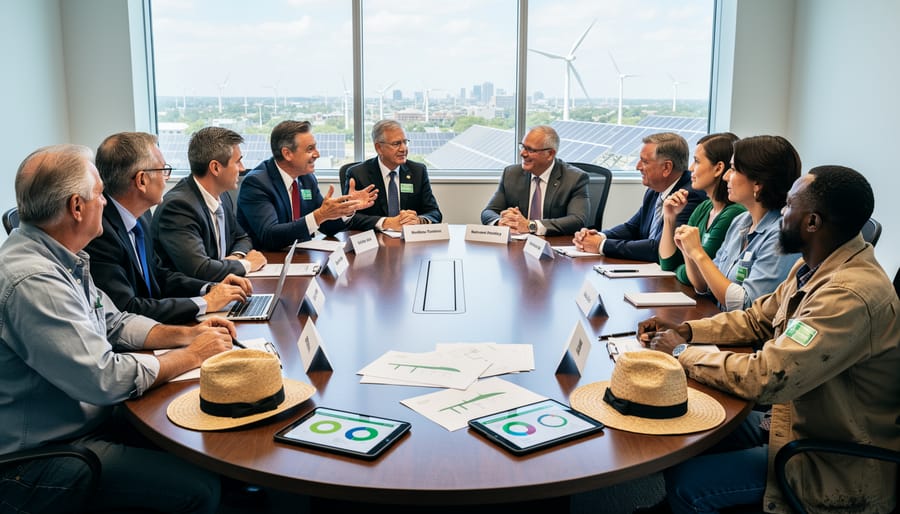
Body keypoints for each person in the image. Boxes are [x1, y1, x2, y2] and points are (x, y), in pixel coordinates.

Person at [637, 165, 900, 514]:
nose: (781, 216)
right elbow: (756, 318)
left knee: (690, 484)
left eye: (789, 207)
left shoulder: (849, 295)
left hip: (828, 457)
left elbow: (767, 376)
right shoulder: (814, 266)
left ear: (812, 223)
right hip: (790, 420)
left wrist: (682, 352)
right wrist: (688, 330)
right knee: (688, 422)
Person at [0, 144, 240, 513]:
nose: (107, 203)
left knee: (211, 445)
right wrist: (191, 356)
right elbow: (102, 377)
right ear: (76, 208)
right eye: (99, 194)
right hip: (45, 455)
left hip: (86, 421)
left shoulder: (61, 255)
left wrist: (188, 334)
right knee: (200, 487)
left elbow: (113, 322)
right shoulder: (34, 280)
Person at [85, 132, 252, 324]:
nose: (167, 178)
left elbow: (159, 274)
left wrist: (209, 288)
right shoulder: (100, 233)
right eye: (163, 169)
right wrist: (205, 303)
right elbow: (127, 308)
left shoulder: (142, 215)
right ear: (141, 180)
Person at [675, 135, 801, 311]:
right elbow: (705, 287)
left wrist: (698, 253)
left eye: (733, 169)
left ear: (757, 183)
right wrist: (688, 252)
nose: (726, 176)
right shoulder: (740, 222)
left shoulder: (781, 235)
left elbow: (747, 305)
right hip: (721, 323)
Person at [237, 120, 377, 251]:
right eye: (310, 149)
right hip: (268, 262)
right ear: (287, 153)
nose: (317, 154)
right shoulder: (257, 183)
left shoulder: (306, 178)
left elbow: (327, 227)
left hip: (301, 258)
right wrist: (318, 216)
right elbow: (270, 236)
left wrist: (346, 208)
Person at [151, 126, 267, 281]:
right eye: (237, 162)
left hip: (223, 287)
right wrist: (246, 264)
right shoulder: (178, 207)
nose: (242, 168)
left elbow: (242, 237)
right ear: (215, 167)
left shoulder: (222, 195)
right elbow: (200, 269)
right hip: (192, 297)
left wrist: (235, 257)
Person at [573, 132, 706, 262]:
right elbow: (632, 228)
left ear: (667, 167)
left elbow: (658, 249)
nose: (638, 167)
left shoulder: (688, 196)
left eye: (645, 161)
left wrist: (602, 245)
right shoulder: (654, 191)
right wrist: (596, 236)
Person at [659, 132, 746, 286]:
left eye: (697, 161)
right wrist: (669, 218)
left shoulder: (733, 213)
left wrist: (681, 268)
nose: (691, 168)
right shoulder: (704, 208)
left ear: (718, 168)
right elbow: (667, 263)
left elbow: (693, 275)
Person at [481, 125, 589, 236]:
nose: (522, 153)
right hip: (518, 244)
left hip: (553, 245)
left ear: (550, 154)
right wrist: (501, 222)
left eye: (530, 149)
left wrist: (531, 226)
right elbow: (488, 212)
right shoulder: (511, 174)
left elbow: (577, 220)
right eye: (522, 147)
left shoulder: (574, 178)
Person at [344, 119, 442, 231]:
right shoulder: (358, 174)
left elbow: (434, 213)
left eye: (405, 142)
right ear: (379, 148)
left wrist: (419, 220)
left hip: (410, 242)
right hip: (374, 241)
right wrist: (386, 223)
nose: (403, 148)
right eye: (396, 144)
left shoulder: (418, 171)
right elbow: (349, 219)